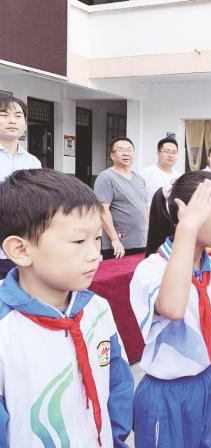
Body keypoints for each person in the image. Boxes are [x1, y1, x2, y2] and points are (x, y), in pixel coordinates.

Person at [0, 169, 134, 447]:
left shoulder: (98, 309)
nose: (95, 254)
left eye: (97, 239)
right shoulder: (6, 329)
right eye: (78, 241)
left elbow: (118, 384)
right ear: (21, 250)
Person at [130, 171, 211, 448]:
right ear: (186, 214)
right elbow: (173, 308)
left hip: (205, 382)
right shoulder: (152, 269)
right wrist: (187, 230)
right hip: (166, 393)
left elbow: (209, 328)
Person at [0, 94, 41, 279]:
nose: (12, 121)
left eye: (18, 116)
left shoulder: (33, 162)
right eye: (4, 115)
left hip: (23, 248)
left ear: (25, 123)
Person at [94, 137, 148, 260]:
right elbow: (102, 210)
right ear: (112, 156)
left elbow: (145, 208)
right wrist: (114, 240)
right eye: (120, 150)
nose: (125, 153)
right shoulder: (105, 178)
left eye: (129, 150)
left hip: (141, 242)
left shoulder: (140, 179)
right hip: (118, 246)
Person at [140, 137, 181, 204]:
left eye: (174, 152)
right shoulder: (145, 174)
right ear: (158, 153)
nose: (170, 155)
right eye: (167, 151)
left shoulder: (179, 176)